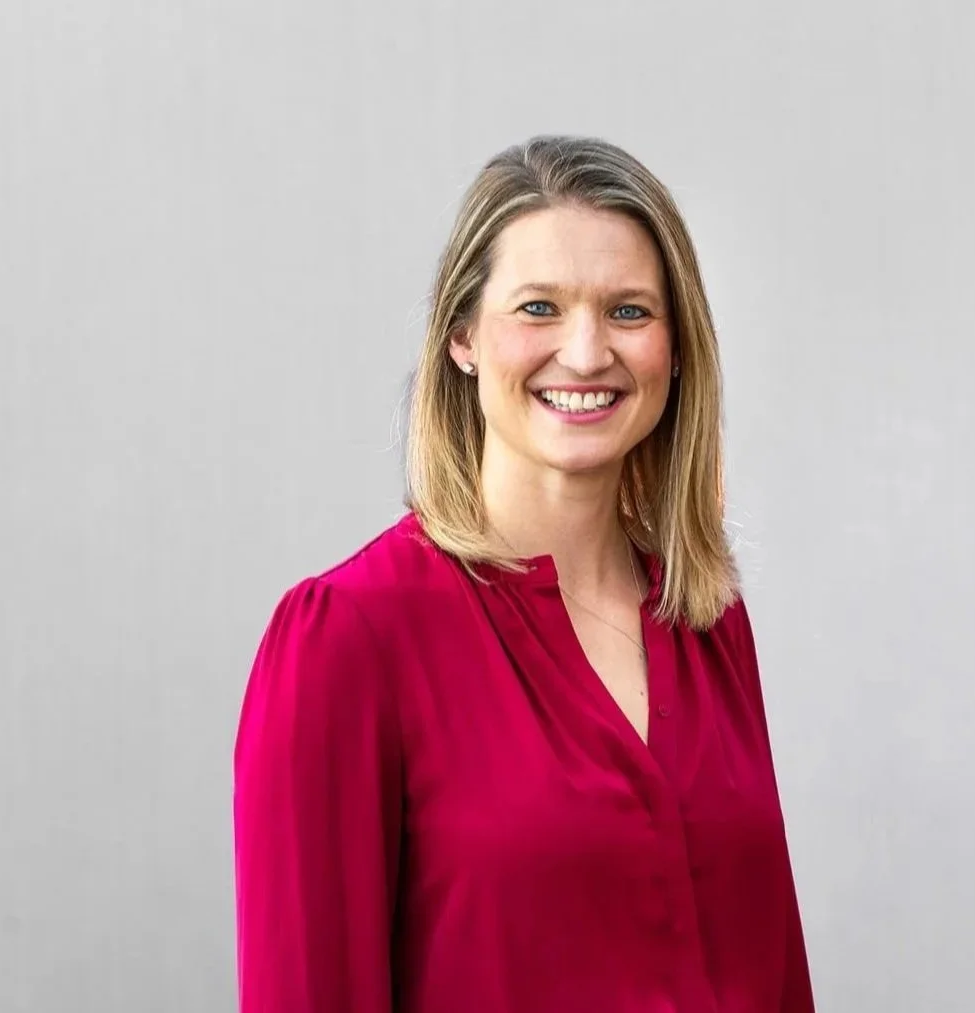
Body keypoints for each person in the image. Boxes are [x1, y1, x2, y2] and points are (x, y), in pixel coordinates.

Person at [233, 135, 815, 1012]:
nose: (585, 353)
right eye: (539, 307)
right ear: (463, 335)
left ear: (677, 348)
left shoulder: (705, 621)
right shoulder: (350, 640)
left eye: (628, 311)